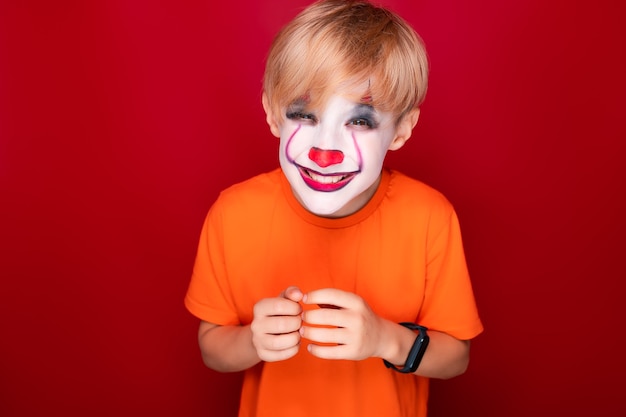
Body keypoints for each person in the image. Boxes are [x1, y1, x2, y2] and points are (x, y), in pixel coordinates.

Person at [184, 1, 483, 416]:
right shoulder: (233, 213)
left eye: (360, 121)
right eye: (304, 113)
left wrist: (384, 339)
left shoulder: (429, 216)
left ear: (403, 129)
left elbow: (456, 358)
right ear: (273, 113)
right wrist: (252, 340)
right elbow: (212, 350)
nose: (326, 150)